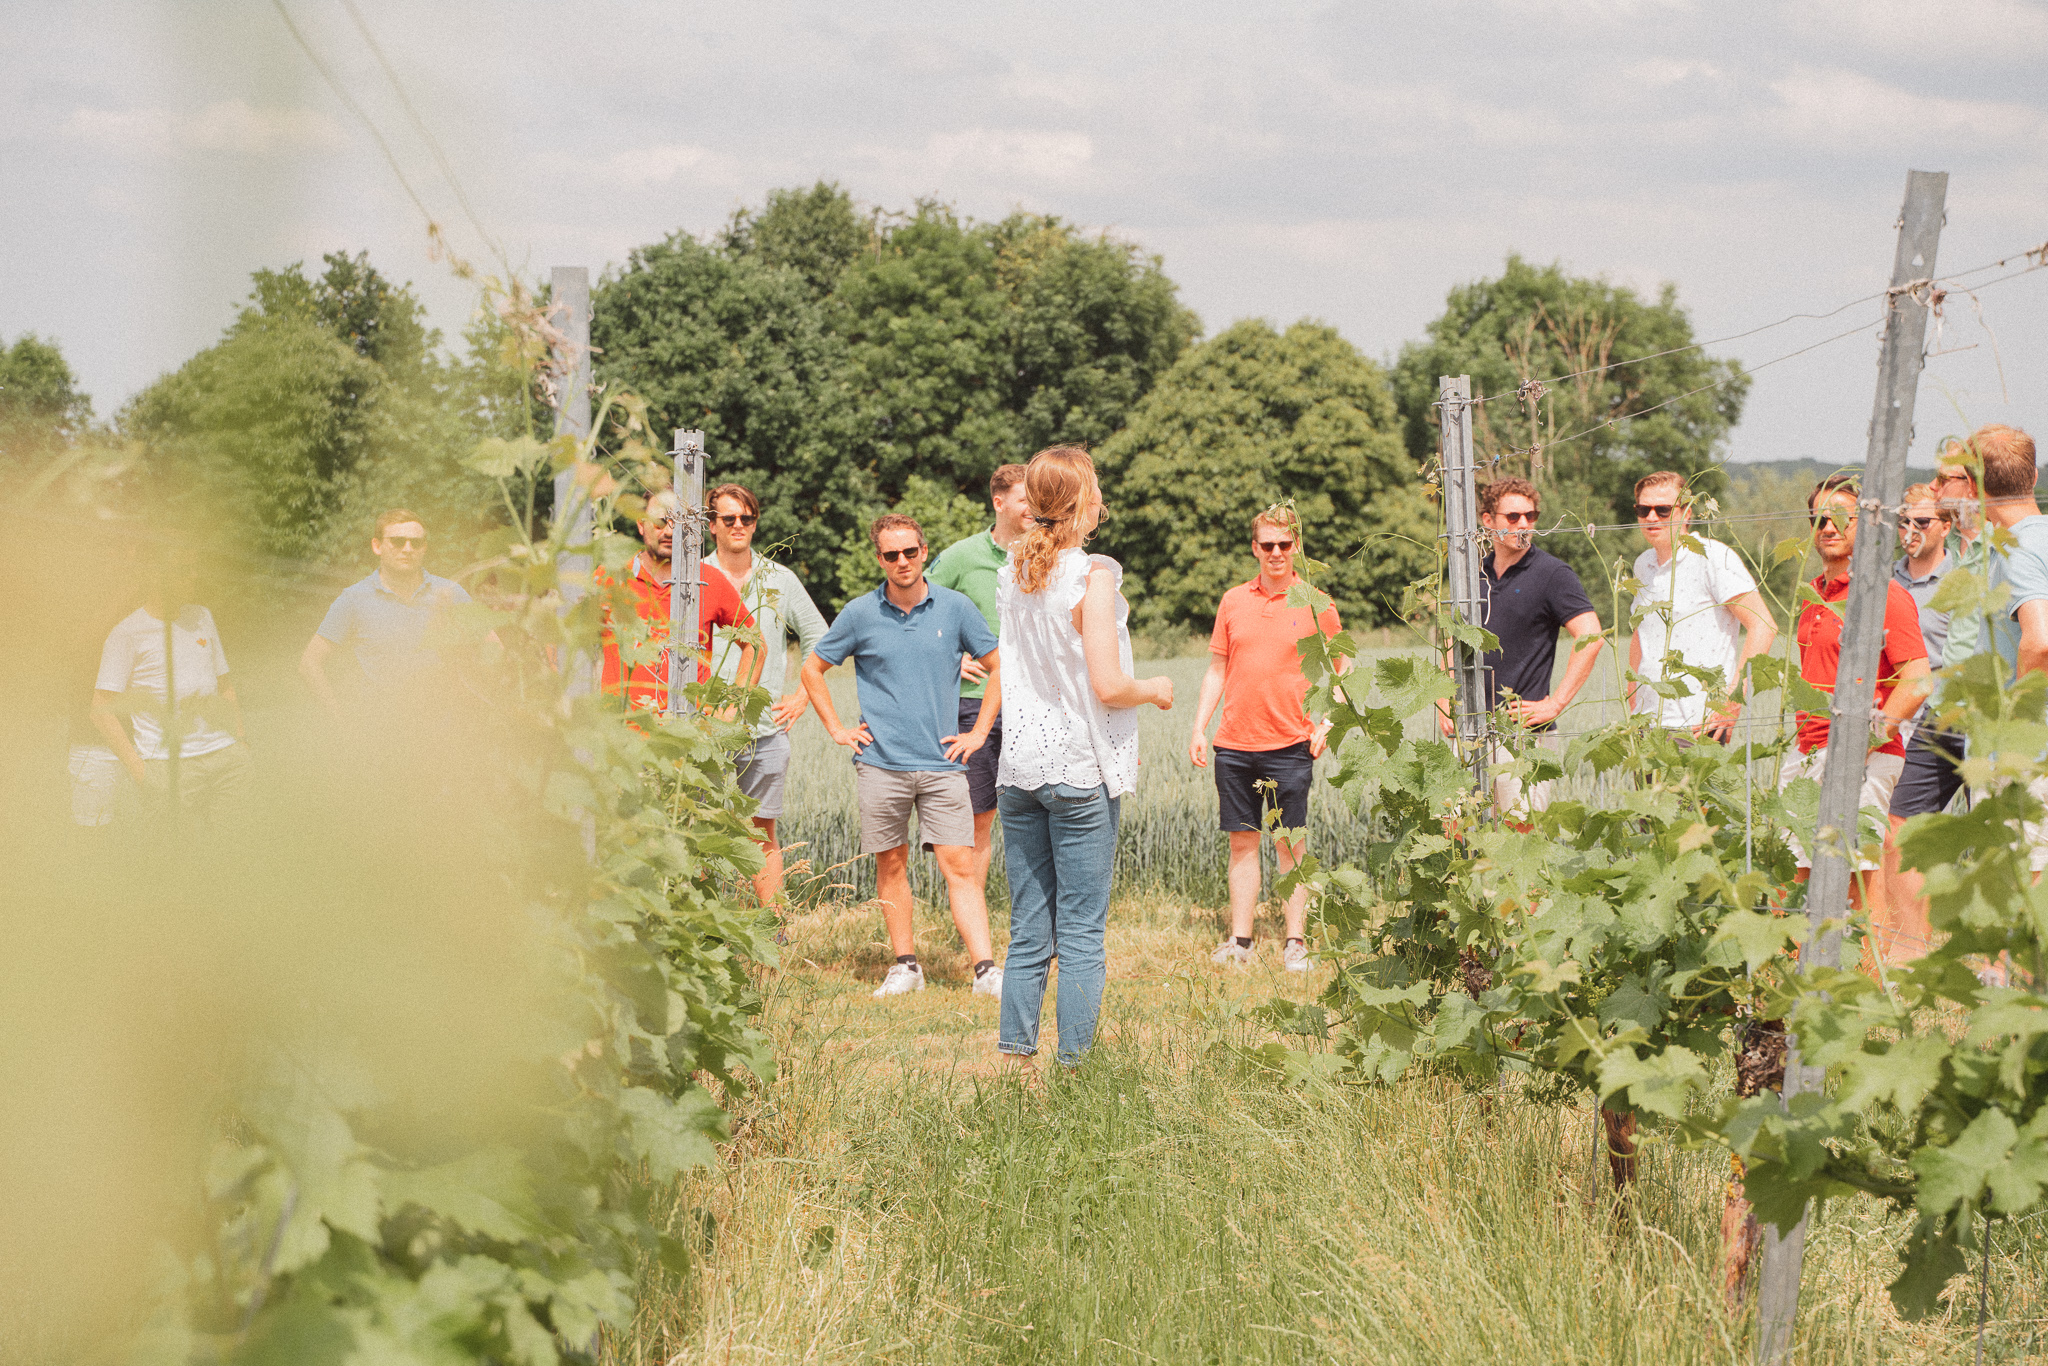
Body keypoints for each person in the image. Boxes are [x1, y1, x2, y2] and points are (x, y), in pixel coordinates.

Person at [995, 446, 1173, 1069]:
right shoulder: (1093, 577)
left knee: (1028, 930)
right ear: (1083, 504)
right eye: (1096, 488)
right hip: (1077, 771)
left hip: (1018, 771)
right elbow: (1107, 685)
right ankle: (1074, 1071)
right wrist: (1153, 689)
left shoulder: (1012, 572)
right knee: (1079, 933)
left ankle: (1015, 1063)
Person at [800, 514, 1005, 999]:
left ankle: (986, 971)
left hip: (943, 764)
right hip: (880, 764)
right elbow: (812, 669)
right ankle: (906, 967)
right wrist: (836, 728)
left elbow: (998, 668)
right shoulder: (859, 613)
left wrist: (977, 733)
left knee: (960, 865)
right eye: (891, 555)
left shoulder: (955, 608)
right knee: (890, 864)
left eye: (909, 552)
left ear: (923, 551)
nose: (902, 562)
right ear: (880, 559)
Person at [1189, 505, 1348, 972]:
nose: (1276, 553)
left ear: (1296, 546)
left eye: (1284, 544)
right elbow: (1218, 667)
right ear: (1254, 548)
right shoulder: (1233, 601)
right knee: (1242, 842)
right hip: (1234, 744)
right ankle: (1241, 942)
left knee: (1290, 844)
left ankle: (1295, 943)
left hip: (1290, 744)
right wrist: (1200, 726)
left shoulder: (1316, 602)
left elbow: (1343, 666)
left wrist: (1328, 723)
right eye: (1267, 545)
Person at [1783, 475, 1930, 908]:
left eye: (1841, 518)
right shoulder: (1812, 596)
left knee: (1855, 879)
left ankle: (1871, 973)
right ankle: (1804, 974)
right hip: (1807, 750)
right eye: (1819, 518)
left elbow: (1919, 679)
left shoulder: (1882, 594)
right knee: (1797, 878)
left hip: (1861, 752)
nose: (1828, 527)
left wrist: (1861, 745)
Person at [1885, 443, 2002, 946]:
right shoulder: (1886, 582)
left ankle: (1999, 960)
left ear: (1970, 489)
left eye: (1944, 480)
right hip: (1933, 712)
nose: (1934, 488)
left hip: (1984, 711)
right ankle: (1911, 949)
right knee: (1900, 826)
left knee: (1995, 834)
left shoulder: (1996, 555)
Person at [1435, 477, 1603, 820]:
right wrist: (1442, 700)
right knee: (1459, 833)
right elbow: (1452, 637)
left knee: (1521, 835)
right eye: (1513, 517)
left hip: (1523, 736)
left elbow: (1591, 636)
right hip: (1467, 730)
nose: (1524, 524)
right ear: (1488, 520)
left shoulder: (1553, 574)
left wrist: (1555, 704)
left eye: (1531, 516)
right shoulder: (1472, 576)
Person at [703, 482, 829, 908]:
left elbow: (819, 638)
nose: (739, 526)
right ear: (712, 525)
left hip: (763, 729)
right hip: (704, 727)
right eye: (729, 519)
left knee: (761, 832)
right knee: (697, 827)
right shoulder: (695, 577)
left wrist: (801, 698)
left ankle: (773, 930)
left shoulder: (779, 579)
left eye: (748, 518)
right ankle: (699, 926)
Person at [929, 464, 1032, 898]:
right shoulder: (962, 556)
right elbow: (917, 607)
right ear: (999, 502)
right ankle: (974, 920)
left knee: (1033, 813)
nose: (1034, 508)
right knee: (978, 816)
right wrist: (952, 659)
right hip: (973, 703)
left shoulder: (1044, 555)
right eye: (1026, 499)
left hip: (1035, 704)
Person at [91, 553, 249, 829]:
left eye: (195, 568)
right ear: (156, 576)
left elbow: (224, 684)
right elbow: (100, 709)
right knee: (178, 864)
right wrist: (141, 772)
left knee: (234, 856)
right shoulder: (126, 633)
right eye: (184, 570)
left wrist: (241, 740)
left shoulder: (202, 617)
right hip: (169, 769)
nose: (194, 576)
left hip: (227, 760)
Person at [1624, 471, 1776, 740]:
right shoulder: (1642, 564)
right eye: (1643, 509)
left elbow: (1763, 625)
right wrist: (1632, 695)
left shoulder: (1713, 556)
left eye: (1663, 509)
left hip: (1698, 724)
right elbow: (1641, 631)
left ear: (1687, 513)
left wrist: (1732, 701)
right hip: (1647, 724)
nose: (1651, 517)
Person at [301, 509, 475, 714]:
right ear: (377, 546)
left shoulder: (450, 593)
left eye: (416, 542)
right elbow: (309, 662)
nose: (408, 549)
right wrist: (340, 721)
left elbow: (492, 647)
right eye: (398, 541)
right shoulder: (354, 599)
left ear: (425, 548)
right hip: (379, 727)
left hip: (444, 725)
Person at [599, 488, 755, 713]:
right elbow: (564, 637)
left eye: (679, 522)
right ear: (641, 524)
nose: (670, 531)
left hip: (686, 736)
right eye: (660, 521)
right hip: (621, 738)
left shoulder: (707, 580)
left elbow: (755, 644)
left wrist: (731, 711)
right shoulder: (609, 577)